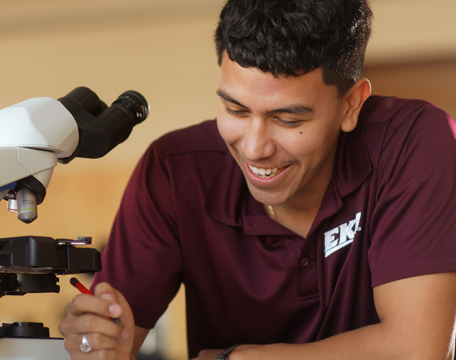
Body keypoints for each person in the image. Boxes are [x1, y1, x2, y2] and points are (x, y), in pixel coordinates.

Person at [59, 0, 456, 359]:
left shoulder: (412, 140)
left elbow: (415, 349)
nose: (254, 148)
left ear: (351, 104)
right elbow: (112, 337)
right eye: (235, 109)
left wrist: (235, 359)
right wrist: (100, 343)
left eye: (288, 119)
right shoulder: (174, 170)